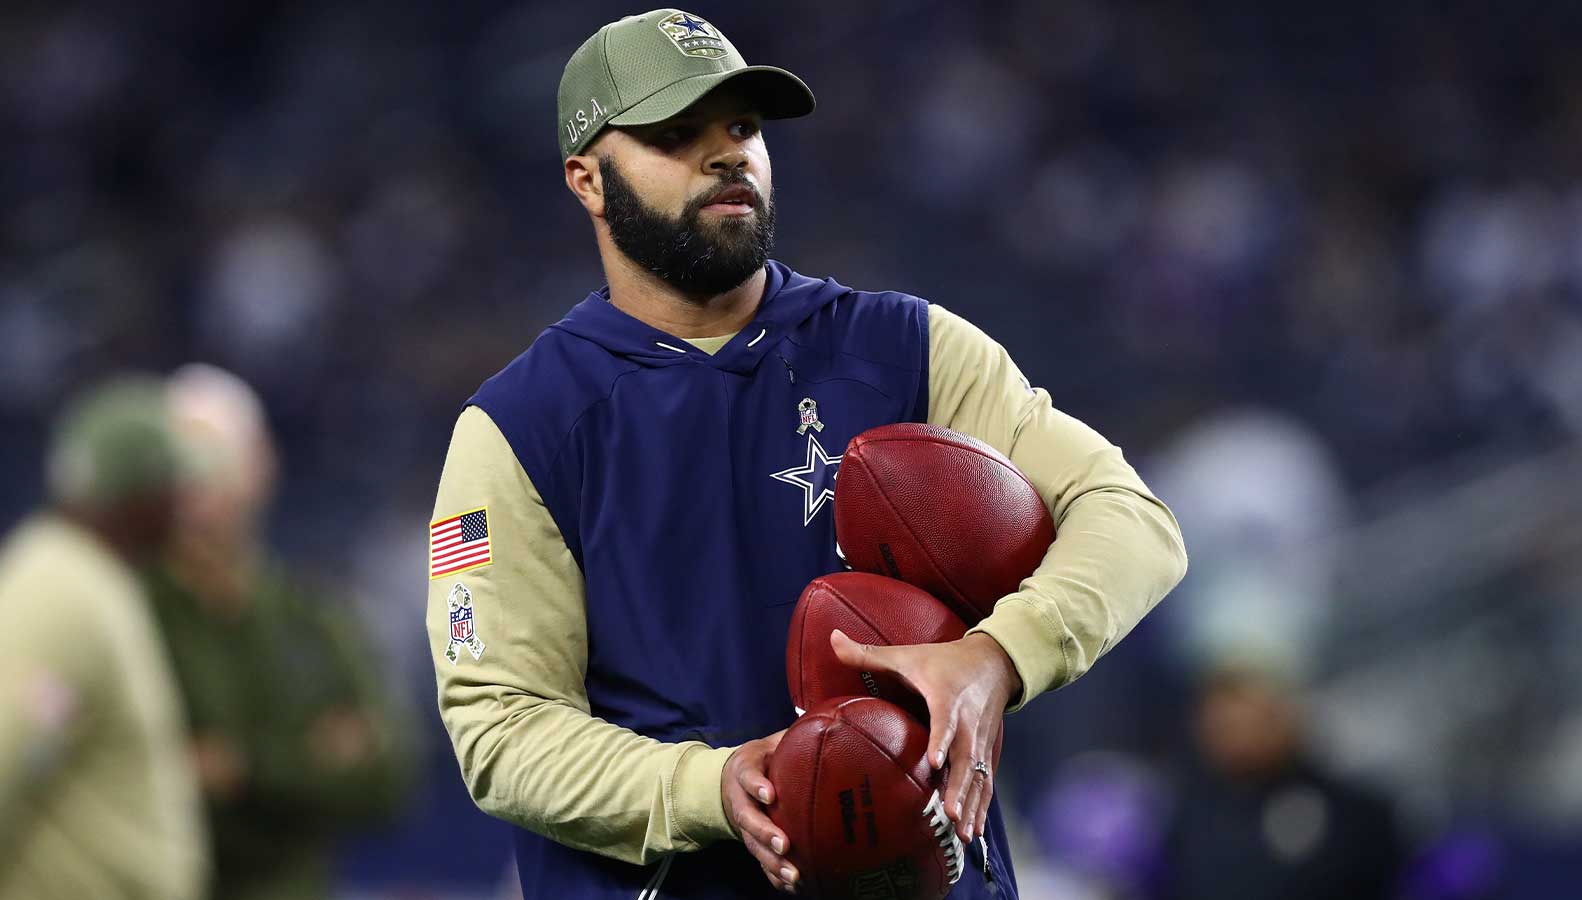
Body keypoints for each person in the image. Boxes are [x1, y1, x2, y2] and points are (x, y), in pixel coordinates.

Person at [426, 9, 1187, 899]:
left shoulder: (909, 348)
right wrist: (709, 785)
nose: (728, 155)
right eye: (677, 135)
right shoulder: (517, 428)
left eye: (743, 128)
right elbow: (501, 731)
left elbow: (1133, 521)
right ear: (588, 180)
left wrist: (998, 657)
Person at [144, 363, 415, 900]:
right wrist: (307, 760)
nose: (202, 484)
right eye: (183, 463)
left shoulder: (312, 619)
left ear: (261, 463)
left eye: (219, 456)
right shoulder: (131, 614)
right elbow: (139, 788)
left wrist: (241, 769)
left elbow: (387, 778)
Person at [0, 376, 208, 900]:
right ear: (138, 492)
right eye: (175, 486)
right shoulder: (59, 588)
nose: (186, 504)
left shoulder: (92, 577)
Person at [1159, 661, 1405, 900]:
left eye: (1254, 722)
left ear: (1286, 718)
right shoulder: (1182, 819)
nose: (1241, 738)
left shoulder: (1356, 814)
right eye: (1227, 726)